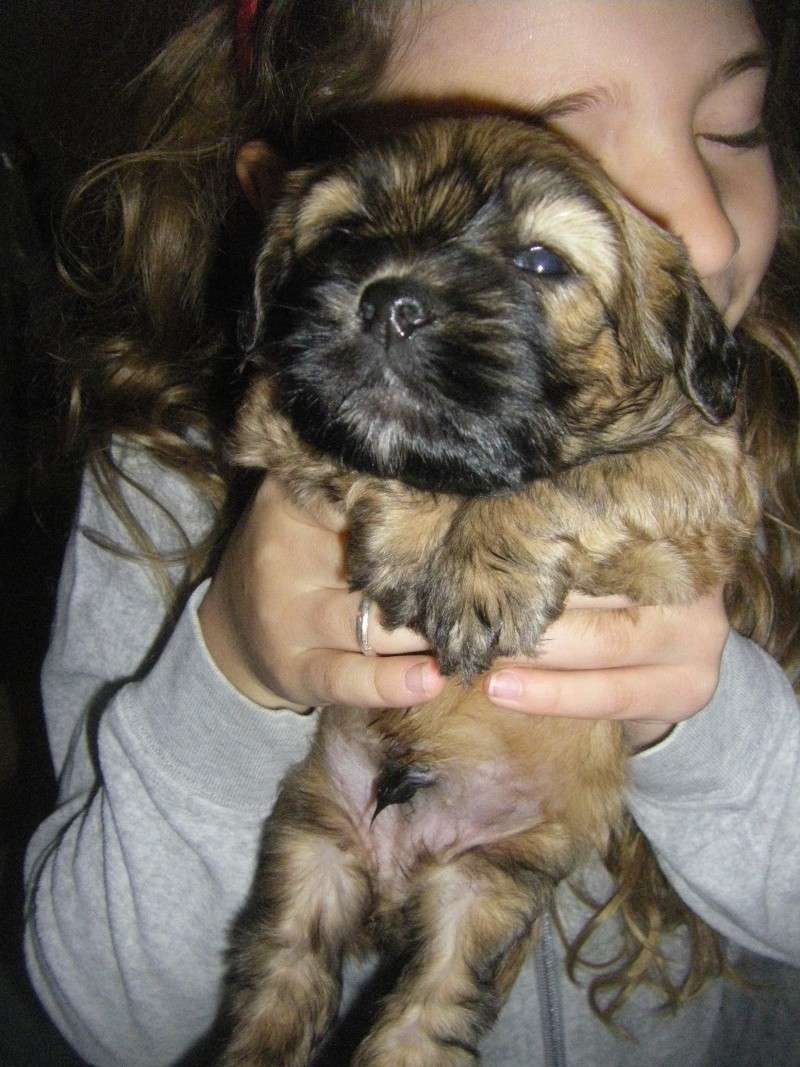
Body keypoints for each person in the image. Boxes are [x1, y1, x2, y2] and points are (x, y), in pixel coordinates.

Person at [23, 1, 800, 1064]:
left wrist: (693, 724)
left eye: (730, 128)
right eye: (551, 144)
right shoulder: (163, 487)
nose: (701, 231)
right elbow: (102, 1003)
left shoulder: (757, 465)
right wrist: (228, 675)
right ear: (284, 212)